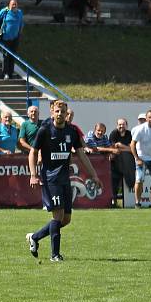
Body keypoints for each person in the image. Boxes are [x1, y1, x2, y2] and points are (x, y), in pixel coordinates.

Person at [26, 100, 100, 262]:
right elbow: (33, 152)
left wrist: (94, 175)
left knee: (66, 219)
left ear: (67, 113)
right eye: (57, 111)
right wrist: (33, 174)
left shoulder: (72, 131)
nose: (60, 114)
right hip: (50, 179)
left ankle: (35, 237)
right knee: (58, 215)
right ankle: (55, 255)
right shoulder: (44, 130)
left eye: (63, 111)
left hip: (65, 179)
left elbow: (81, 155)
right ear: (52, 112)